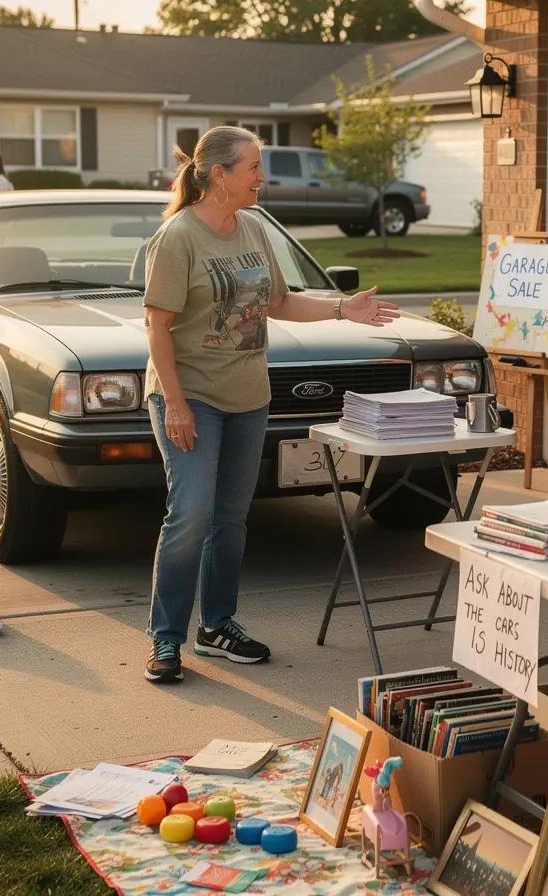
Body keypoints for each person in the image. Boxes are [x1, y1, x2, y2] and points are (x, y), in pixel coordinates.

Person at [143, 125, 399, 684]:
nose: (263, 177)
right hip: (190, 397)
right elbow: (157, 327)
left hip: (248, 397)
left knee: (231, 519)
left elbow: (278, 301)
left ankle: (217, 626)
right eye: (254, 167)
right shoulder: (178, 237)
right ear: (220, 175)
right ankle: (166, 638)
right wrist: (176, 404)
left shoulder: (254, 228)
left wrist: (343, 309)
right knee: (190, 515)